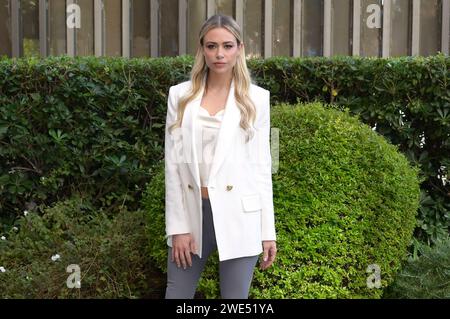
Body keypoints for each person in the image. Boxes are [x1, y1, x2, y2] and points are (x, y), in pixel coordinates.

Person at [164, 14, 276, 299]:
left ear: (239, 48)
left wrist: (267, 231)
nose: (219, 54)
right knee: (177, 295)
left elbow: (262, 167)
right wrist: (178, 227)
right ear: (202, 49)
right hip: (193, 213)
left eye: (227, 46)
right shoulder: (180, 96)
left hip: (241, 214)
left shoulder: (257, 99)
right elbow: (173, 166)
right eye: (211, 46)